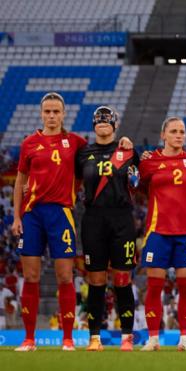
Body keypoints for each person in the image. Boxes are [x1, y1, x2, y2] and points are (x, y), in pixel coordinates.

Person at [12, 92, 87, 351]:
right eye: (48, 111)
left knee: (65, 276)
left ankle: (68, 339)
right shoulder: (30, 143)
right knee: (30, 276)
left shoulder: (75, 142)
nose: (52, 116)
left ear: (64, 114)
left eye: (57, 111)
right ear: (41, 113)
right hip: (32, 215)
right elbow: (20, 181)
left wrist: (122, 144)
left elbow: (99, 153)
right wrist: (16, 216)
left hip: (61, 214)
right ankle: (29, 339)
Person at [75, 106, 139, 351]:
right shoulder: (83, 154)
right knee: (96, 280)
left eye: (106, 120)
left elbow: (137, 181)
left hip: (121, 219)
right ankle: (94, 338)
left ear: (114, 123)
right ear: (93, 125)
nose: (102, 123)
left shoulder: (127, 151)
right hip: (93, 220)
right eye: (98, 120)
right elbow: (71, 181)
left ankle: (127, 338)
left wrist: (131, 151)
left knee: (123, 279)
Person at [138, 117, 186, 351]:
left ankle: (185, 338)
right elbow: (137, 187)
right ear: (163, 135)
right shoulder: (149, 162)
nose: (179, 135)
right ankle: (153, 338)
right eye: (174, 131)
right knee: (154, 286)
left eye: (182, 131)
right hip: (158, 232)